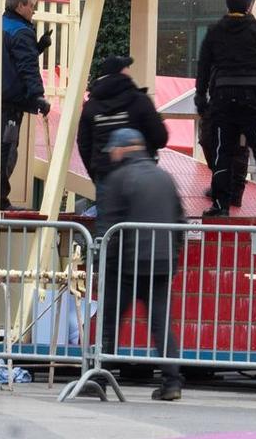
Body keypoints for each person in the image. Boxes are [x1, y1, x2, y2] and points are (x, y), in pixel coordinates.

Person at [95, 127, 187, 401]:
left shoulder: (118, 178)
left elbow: (108, 226)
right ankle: (172, 383)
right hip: (161, 262)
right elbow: (180, 221)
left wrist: (102, 263)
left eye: (112, 150)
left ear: (122, 149)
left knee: (110, 321)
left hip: (126, 264)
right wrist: (174, 254)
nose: (111, 155)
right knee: (160, 323)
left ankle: (99, 377)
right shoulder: (165, 177)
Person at [195, 0, 256, 218]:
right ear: (249, 6)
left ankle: (220, 205)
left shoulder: (215, 31)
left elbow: (204, 66)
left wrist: (201, 98)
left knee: (222, 152)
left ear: (228, 6)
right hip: (252, 98)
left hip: (222, 99)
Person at [0, 0, 52, 209]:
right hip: (10, 100)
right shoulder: (21, 30)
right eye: (31, 6)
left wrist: (38, 47)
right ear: (20, 6)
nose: (34, 10)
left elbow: (8, 60)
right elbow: (26, 66)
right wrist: (38, 96)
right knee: (7, 150)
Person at [78, 56, 169, 184]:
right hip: (140, 175)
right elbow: (160, 139)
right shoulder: (141, 101)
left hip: (105, 175)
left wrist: (95, 172)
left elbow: (84, 145)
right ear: (121, 72)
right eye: (126, 67)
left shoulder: (91, 106)